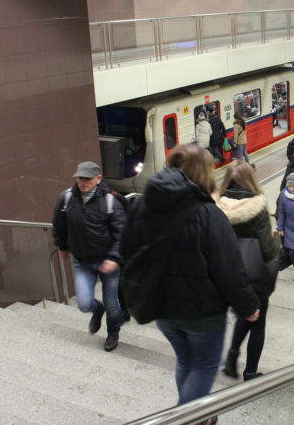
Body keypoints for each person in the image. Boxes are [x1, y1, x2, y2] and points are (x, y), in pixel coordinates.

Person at [119, 145, 260, 407]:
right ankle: (188, 417)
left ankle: (198, 414)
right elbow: (229, 268)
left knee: (185, 360)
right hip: (202, 313)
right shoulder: (209, 214)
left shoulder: (142, 206)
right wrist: (248, 306)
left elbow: (126, 250)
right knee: (206, 365)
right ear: (204, 173)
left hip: (160, 306)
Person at [216, 161, 281, 381]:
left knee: (245, 313)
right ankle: (250, 371)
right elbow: (268, 249)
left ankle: (232, 358)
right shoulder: (257, 207)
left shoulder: (216, 205)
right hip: (252, 274)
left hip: (226, 273)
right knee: (258, 323)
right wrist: (276, 237)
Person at [52, 161, 126, 352]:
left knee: (112, 304)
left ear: (98, 179)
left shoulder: (110, 201)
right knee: (84, 303)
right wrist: (62, 246)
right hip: (82, 261)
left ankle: (113, 333)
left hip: (108, 262)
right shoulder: (67, 198)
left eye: (87, 178)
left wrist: (113, 258)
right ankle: (96, 309)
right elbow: (59, 225)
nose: (83, 182)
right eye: (80, 178)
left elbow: (122, 234)